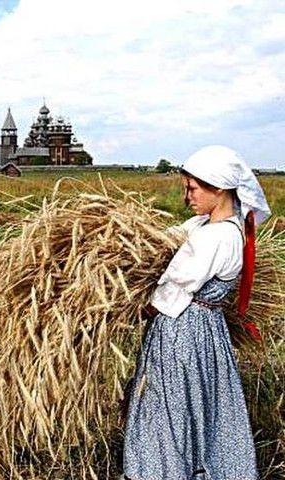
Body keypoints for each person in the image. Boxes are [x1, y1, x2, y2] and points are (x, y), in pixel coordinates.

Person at [121, 145, 271, 480]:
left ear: (218, 189)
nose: (187, 195)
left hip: (183, 330)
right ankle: (193, 465)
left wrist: (138, 311)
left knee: (170, 403)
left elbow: (174, 286)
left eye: (193, 188)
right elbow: (171, 237)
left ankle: (166, 470)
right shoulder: (212, 226)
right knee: (198, 401)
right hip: (204, 330)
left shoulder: (216, 238)